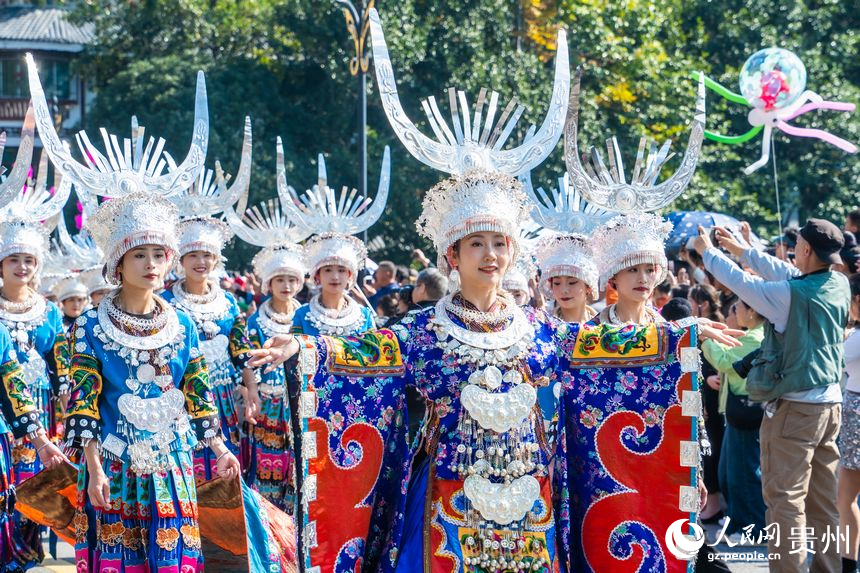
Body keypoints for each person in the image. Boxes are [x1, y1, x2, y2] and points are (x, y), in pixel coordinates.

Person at [66, 193, 240, 572]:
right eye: (140, 254)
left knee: (175, 561)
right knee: (119, 562)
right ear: (119, 262)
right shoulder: (90, 326)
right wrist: (93, 468)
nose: (151, 264)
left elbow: (198, 392)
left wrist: (220, 448)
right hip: (113, 462)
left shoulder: (182, 325)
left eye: (159, 254)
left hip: (172, 462)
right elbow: (83, 405)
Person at [693, 219, 849, 572]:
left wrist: (710, 255)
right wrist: (740, 250)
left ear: (805, 250)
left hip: (795, 410)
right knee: (823, 502)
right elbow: (782, 269)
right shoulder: (837, 283)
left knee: (785, 501)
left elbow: (742, 283)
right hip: (829, 406)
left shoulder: (788, 296)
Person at [161, 217, 255, 481]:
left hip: (224, 398)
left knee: (225, 468)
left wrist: (252, 391)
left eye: (207, 255)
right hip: (181, 397)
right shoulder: (165, 302)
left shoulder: (228, 303)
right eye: (192, 255)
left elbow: (241, 352)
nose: (200, 261)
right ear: (180, 259)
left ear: (216, 260)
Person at [244, 242, 307, 511]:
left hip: (299, 401)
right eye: (280, 279)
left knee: (296, 461)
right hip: (269, 402)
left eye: (292, 279)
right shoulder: (255, 321)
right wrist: (253, 392)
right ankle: (268, 519)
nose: (286, 285)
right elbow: (247, 361)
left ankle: (293, 522)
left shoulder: (305, 316)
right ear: (268, 283)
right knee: (269, 462)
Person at [702, 299, 767, 541]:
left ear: (752, 311)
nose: (735, 311)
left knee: (744, 474)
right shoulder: (753, 334)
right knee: (731, 472)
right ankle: (738, 522)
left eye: (738, 307)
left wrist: (705, 338)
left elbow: (724, 362)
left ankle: (754, 529)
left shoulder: (754, 337)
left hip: (746, 412)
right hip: (737, 411)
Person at [688, 284, 726, 523]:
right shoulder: (695, 326)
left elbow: (719, 361)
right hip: (705, 391)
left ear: (701, 303)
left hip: (710, 397)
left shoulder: (709, 327)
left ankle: (714, 504)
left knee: (710, 450)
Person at [291, 233, 375, 336]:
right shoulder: (302, 315)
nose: (335, 276)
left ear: (349, 275)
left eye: (341, 270)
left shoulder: (364, 315)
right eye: (328, 270)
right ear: (317, 275)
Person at [839, 273, 860, 573]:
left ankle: (848, 566)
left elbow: (835, 360)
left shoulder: (854, 340)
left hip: (856, 414)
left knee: (845, 498)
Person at [534, 233, 598, 324]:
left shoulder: (605, 328)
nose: (563, 290)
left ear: (588, 287)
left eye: (572, 282)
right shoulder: (543, 328)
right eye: (557, 283)